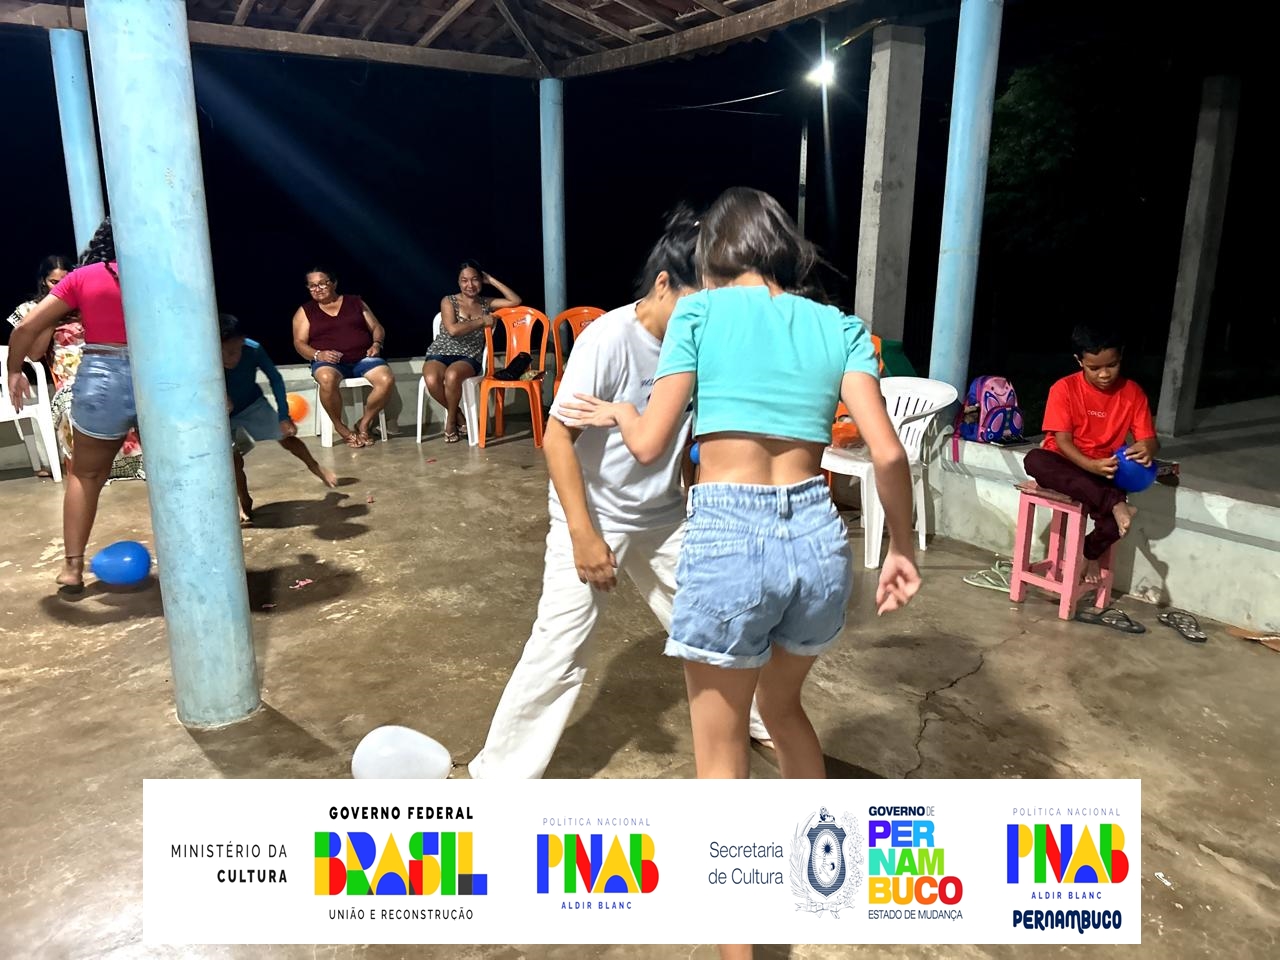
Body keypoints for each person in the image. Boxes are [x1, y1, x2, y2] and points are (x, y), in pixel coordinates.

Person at [470, 209, 773, 779]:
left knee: (720, 620)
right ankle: (499, 777)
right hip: (596, 513)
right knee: (561, 646)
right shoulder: (609, 339)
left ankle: (763, 720)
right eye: (699, 303)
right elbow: (557, 437)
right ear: (663, 284)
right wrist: (583, 535)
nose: (706, 319)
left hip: (664, 517)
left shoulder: (701, 344)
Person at [6, 219, 138, 593]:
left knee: (85, 475)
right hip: (161, 373)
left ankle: (72, 568)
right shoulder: (163, 269)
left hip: (103, 375)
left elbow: (25, 329)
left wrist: (13, 371)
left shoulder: (85, 277)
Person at [1025, 324, 1158, 584]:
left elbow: (1149, 440)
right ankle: (1116, 504)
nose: (1104, 374)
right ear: (1079, 361)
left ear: (1121, 356)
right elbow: (1062, 442)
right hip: (1065, 463)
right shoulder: (1064, 388)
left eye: (1112, 365)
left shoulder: (1133, 393)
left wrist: (1147, 449)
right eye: (1094, 368)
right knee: (1034, 460)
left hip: (1105, 467)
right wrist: (1090, 465)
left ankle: (1090, 552)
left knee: (1113, 526)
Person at [7, 254, 145, 482]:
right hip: (69, 373)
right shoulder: (36, 308)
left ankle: (131, 463)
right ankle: (88, 471)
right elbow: (35, 353)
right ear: (44, 281)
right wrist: (52, 317)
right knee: (80, 402)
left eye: (65, 280)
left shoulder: (85, 301)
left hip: (103, 362)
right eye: (54, 282)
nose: (60, 286)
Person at [221, 314, 337, 523]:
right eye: (225, 353)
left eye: (235, 351)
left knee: (286, 437)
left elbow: (275, 379)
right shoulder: (203, 355)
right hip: (222, 413)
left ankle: (315, 467)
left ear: (242, 341)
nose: (231, 358)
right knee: (233, 459)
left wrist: (284, 416)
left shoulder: (253, 349)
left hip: (251, 404)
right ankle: (243, 500)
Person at [291, 267, 394, 448]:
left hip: (363, 358)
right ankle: (341, 427)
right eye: (312, 286)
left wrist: (377, 344)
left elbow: (377, 327)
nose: (317, 289)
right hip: (328, 362)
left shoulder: (355, 302)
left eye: (322, 284)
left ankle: (364, 423)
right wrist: (318, 354)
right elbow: (299, 343)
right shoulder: (305, 311)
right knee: (326, 378)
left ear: (334, 283)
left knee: (386, 379)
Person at [422, 260, 521, 442]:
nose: (470, 285)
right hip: (441, 351)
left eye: (475, 279)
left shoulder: (486, 303)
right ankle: (459, 416)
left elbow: (515, 301)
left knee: (452, 375)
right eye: (464, 280)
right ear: (458, 282)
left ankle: (450, 423)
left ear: (481, 281)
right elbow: (453, 330)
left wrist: (491, 280)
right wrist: (482, 321)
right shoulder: (448, 301)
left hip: (469, 355)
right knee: (431, 379)